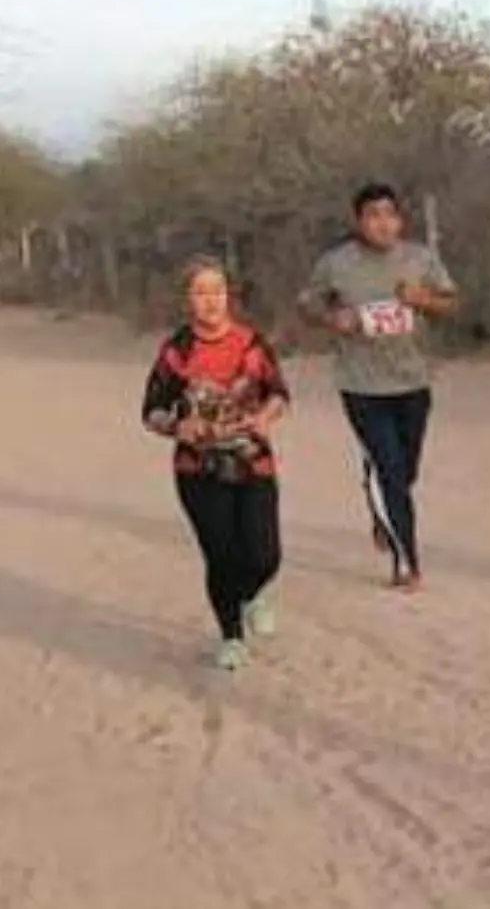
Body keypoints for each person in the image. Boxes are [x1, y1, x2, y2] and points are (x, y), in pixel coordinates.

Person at [297, 182, 459, 592]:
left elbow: (451, 304)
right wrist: (334, 318)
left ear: (400, 219)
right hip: (362, 384)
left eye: (389, 214)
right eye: (373, 215)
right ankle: (407, 564)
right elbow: (307, 304)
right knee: (390, 469)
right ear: (358, 221)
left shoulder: (420, 258)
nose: (382, 223)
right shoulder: (337, 264)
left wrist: (422, 298)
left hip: (413, 377)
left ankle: (380, 508)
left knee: (404, 470)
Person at [141, 256, 291, 671]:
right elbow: (151, 410)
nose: (211, 301)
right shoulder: (176, 351)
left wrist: (264, 417)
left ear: (229, 296)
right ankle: (231, 637)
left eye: (218, 291)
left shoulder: (251, 344)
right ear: (187, 299)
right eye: (201, 292)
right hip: (198, 469)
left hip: (252, 461)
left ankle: (253, 594)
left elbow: (279, 393)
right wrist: (176, 426)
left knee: (264, 554)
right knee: (221, 555)